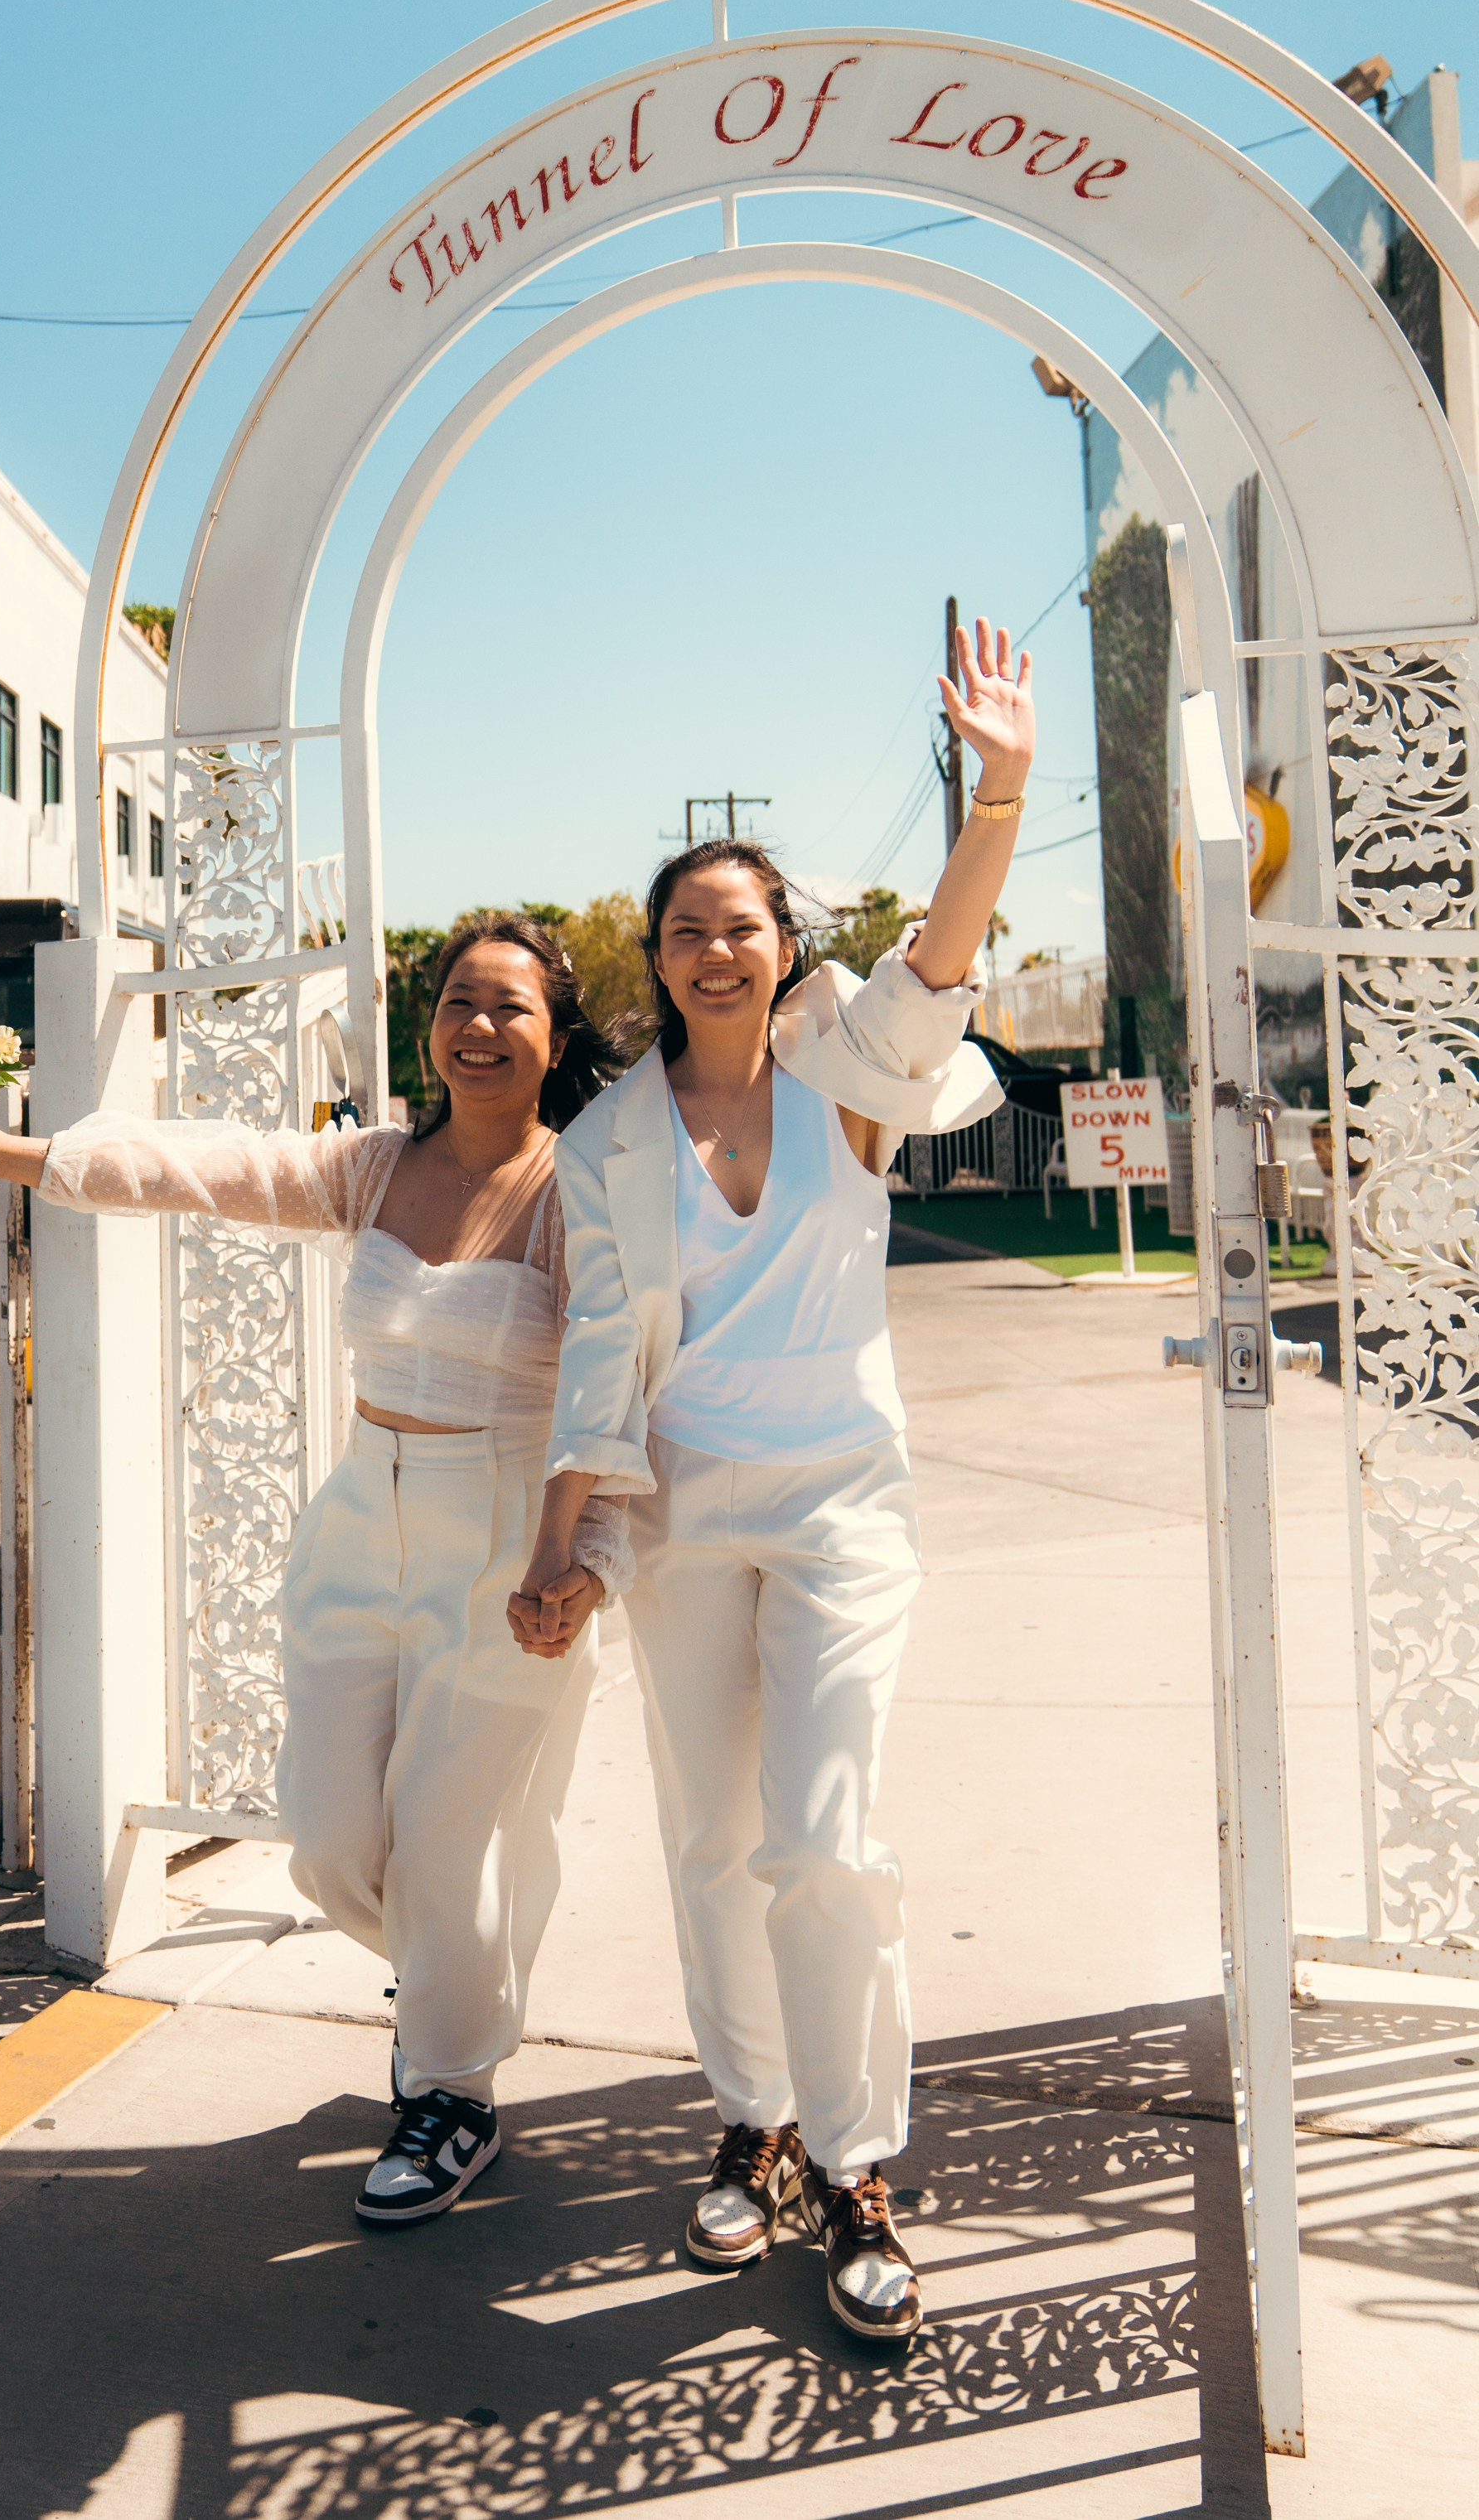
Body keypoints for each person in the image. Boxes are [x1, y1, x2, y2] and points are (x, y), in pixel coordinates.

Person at [0, 915, 628, 2228]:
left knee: (452, 1837)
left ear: (557, 1038)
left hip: (508, 1543)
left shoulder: (581, 1199)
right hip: (361, 1523)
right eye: (459, 1000)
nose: (479, 1027)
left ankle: (451, 2093)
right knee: (331, 1834)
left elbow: (619, 1392)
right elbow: (210, 1167)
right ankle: (456, 1980)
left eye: (512, 1008)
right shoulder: (372, 1168)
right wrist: (19, 1154)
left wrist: (578, 1560)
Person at [510, 615, 1033, 2346]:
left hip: (837, 1511)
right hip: (678, 1521)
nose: (710, 950)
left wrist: (997, 797)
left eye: (739, 925)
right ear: (652, 960)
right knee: (710, 1837)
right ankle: (756, 2121)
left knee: (824, 1837)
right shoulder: (602, 1142)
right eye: (681, 930)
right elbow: (600, 1361)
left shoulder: (850, 1082)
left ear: (784, 944)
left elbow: (941, 970)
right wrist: (573, 1539)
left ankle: (861, 2162)